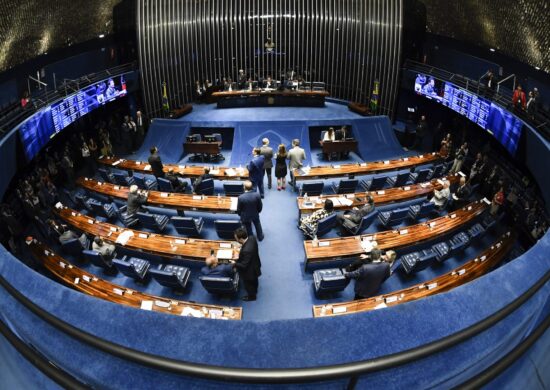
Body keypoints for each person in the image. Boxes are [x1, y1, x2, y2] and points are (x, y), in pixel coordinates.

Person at [230, 227, 262, 301]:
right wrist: (242, 247)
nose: (236, 240)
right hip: (256, 264)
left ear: (241, 239)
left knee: (248, 284)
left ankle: (252, 297)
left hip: (249, 271)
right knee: (255, 280)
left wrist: (234, 263)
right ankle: (255, 289)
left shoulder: (246, 251)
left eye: (236, 238)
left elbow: (244, 265)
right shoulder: (251, 238)